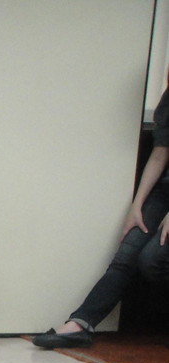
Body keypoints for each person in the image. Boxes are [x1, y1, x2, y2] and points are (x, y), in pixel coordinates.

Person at [35, 84, 169, 349]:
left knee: (151, 260)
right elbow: (160, 153)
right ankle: (80, 325)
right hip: (163, 192)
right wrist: (137, 205)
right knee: (126, 254)